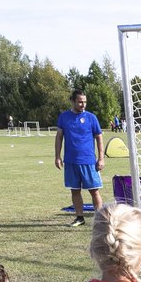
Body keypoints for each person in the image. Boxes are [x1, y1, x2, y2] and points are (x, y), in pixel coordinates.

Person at [55, 90, 105, 228]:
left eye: (85, 102)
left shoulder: (91, 118)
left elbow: (99, 137)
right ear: (72, 101)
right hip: (71, 161)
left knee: (94, 190)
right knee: (75, 190)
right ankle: (79, 217)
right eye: (80, 102)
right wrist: (57, 156)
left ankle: (100, 219)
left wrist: (101, 158)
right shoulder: (64, 117)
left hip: (88, 161)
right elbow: (59, 137)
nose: (83, 104)